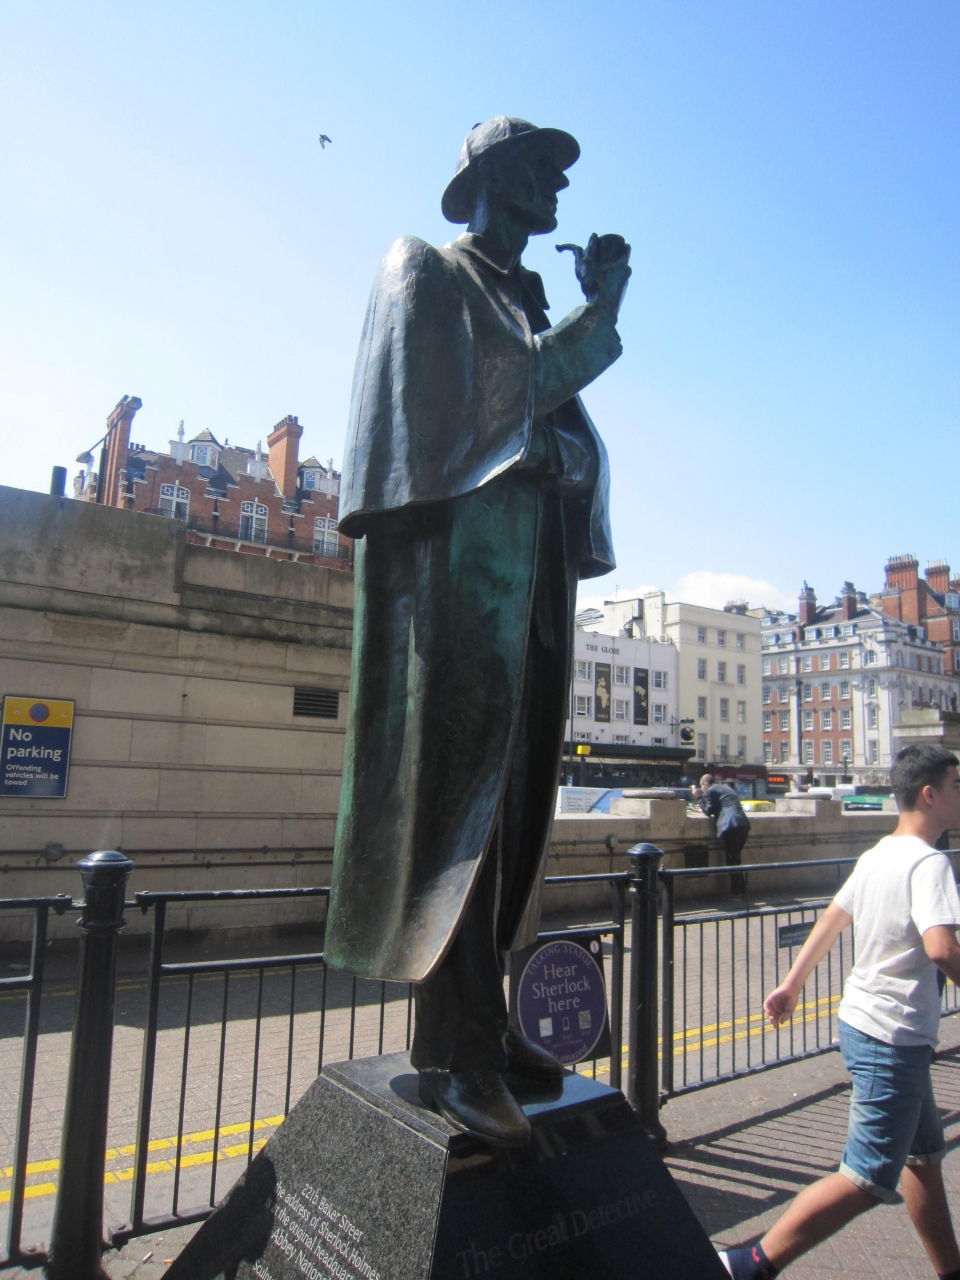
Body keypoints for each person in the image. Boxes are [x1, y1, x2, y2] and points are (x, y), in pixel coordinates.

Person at [323, 117, 631, 1146]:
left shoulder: (520, 300)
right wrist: (600, 317)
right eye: (540, 171)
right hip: (460, 586)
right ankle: (459, 1053)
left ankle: (486, 1028)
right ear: (491, 179)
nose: (557, 190)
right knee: (464, 811)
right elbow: (483, 407)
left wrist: (562, 438)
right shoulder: (428, 273)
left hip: (531, 578)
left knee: (518, 808)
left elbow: (561, 434)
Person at [719, 742, 960, 1280]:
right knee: (867, 1176)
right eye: (957, 786)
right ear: (929, 795)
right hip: (892, 1036)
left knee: (922, 1160)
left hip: (865, 1023)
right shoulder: (929, 864)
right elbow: (943, 948)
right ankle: (747, 1263)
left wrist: (792, 984)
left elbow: (831, 918)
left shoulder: (877, 855)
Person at [696, 773, 751, 895]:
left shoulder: (711, 790)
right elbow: (720, 806)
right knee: (735, 859)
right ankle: (742, 891)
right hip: (743, 824)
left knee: (732, 861)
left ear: (705, 785)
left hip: (731, 826)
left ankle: (739, 892)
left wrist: (698, 797)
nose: (703, 790)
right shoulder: (725, 787)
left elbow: (708, 811)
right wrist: (703, 807)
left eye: (702, 787)